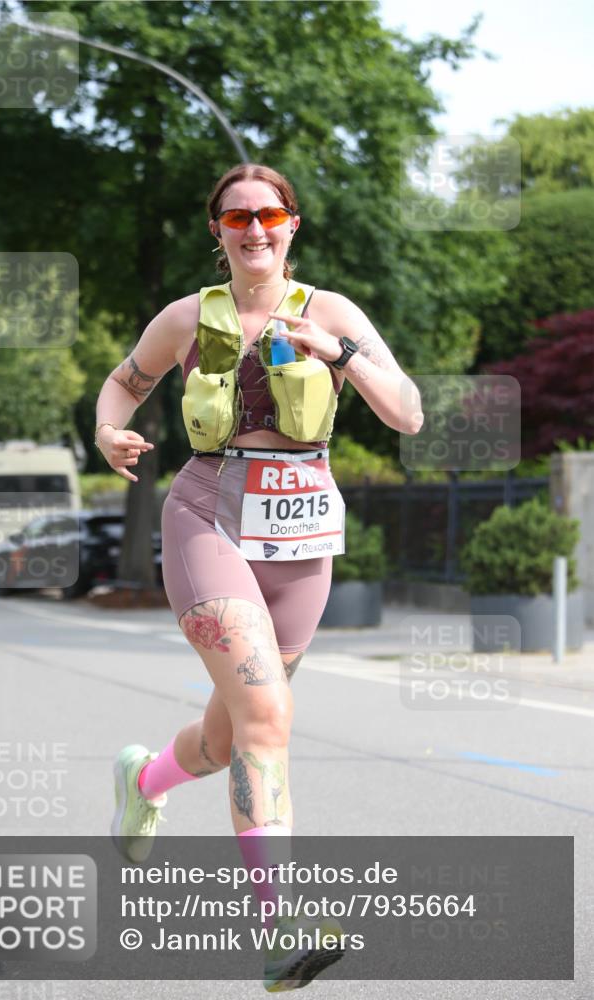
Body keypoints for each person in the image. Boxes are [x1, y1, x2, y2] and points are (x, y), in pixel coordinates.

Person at [95, 163, 423, 991]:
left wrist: (337, 351)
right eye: (235, 216)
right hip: (209, 513)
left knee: (226, 737)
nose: (253, 228)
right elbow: (121, 387)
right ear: (218, 232)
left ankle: (144, 778)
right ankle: (278, 925)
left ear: (291, 224)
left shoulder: (332, 312)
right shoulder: (184, 319)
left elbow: (408, 413)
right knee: (268, 716)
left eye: (267, 213)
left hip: (303, 533)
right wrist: (108, 432)